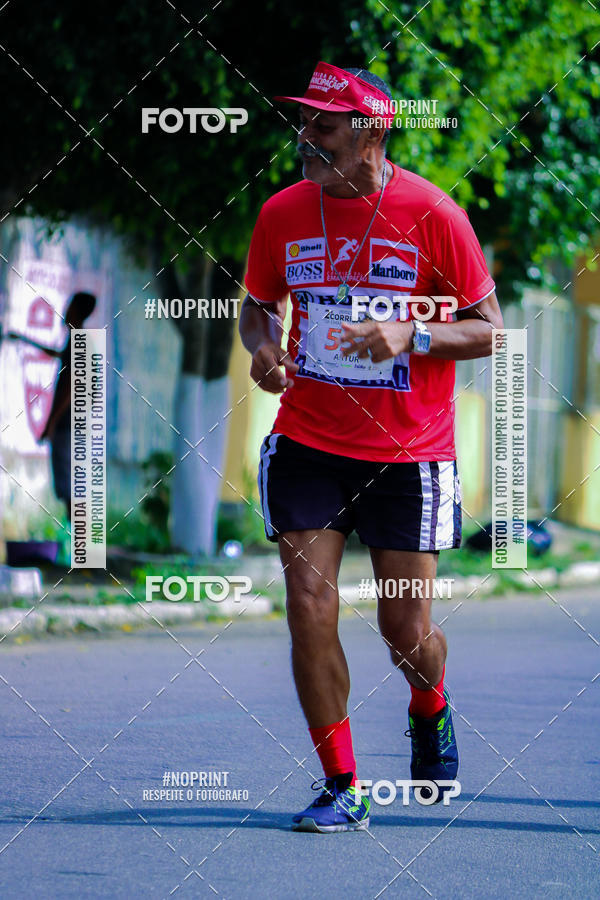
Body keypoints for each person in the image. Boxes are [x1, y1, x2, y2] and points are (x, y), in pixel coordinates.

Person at [239, 62, 503, 833]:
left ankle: (430, 703)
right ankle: (340, 781)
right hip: (309, 443)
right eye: (304, 122)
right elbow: (258, 307)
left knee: (403, 630)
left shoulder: (433, 213)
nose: (306, 138)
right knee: (309, 605)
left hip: (409, 453)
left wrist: (412, 332)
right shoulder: (282, 213)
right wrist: (261, 347)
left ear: (372, 132)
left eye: (324, 125)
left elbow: (492, 330)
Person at [8, 292, 97, 521]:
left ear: (77, 311)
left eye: (70, 306)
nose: (65, 310)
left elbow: (70, 390)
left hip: (69, 425)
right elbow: (56, 354)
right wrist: (24, 338)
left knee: (70, 488)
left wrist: (51, 423)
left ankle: (84, 549)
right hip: (73, 424)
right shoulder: (77, 341)